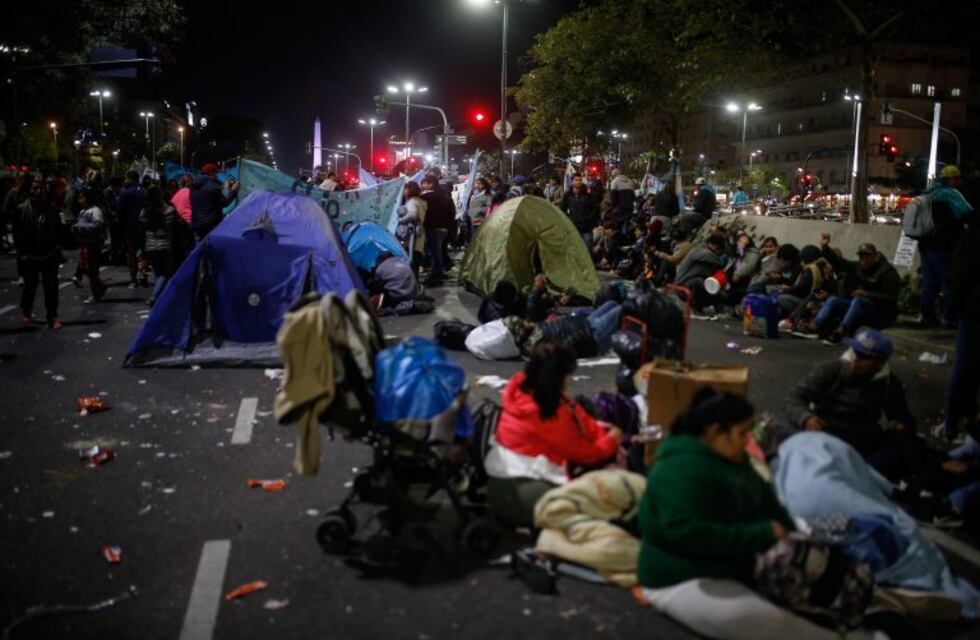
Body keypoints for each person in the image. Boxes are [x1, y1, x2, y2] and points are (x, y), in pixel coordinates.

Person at [636, 390, 837, 640]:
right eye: (742, 433)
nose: (747, 441)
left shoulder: (732, 459)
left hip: (730, 563)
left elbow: (766, 502)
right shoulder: (678, 468)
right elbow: (687, 533)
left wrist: (793, 537)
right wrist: (762, 533)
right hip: (679, 578)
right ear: (714, 432)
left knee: (817, 592)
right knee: (777, 625)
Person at [484, 342, 623, 527]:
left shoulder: (524, 390)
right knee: (595, 503)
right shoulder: (546, 412)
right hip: (522, 493)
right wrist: (611, 439)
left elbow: (577, 415)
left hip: (503, 481)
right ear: (556, 378)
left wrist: (599, 432)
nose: (569, 380)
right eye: (566, 375)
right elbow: (586, 453)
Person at [784, 328, 920, 481]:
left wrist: (900, 425)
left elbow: (902, 416)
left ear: (879, 364)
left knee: (904, 452)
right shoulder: (831, 369)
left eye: (864, 357)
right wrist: (806, 418)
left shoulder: (888, 383)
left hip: (863, 437)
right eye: (855, 352)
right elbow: (794, 399)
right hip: (825, 431)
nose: (855, 359)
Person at [939, 207, 980, 441]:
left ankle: (951, 424)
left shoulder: (972, 235)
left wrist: (950, 311)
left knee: (964, 368)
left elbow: (960, 276)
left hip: (973, 310)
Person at [813, 235, 900, 343]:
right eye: (861, 256)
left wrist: (867, 294)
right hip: (860, 308)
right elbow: (839, 262)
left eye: (867, 256)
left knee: (859, 300)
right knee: (834, 300)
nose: (864, 259)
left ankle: (841, 331)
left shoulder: (887, 272)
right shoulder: (858, 267)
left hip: (880, 312)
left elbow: (891, 298)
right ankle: (815, 326)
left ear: (875, 256)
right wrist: (825, 247)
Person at [918, 165, 973, 328]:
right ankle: (949, 318)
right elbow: (967, 213)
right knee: (950, 282)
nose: (960, 181)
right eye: (957, 178)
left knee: (929, 283)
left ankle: (927, 318)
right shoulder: (950, 193)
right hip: (944, 245)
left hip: (925, 245)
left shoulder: (927, 193)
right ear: (950, 179)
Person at [16, 180, 62, 328]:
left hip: (49, 254)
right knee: (29, 286)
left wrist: (58, 248)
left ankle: (51, 317)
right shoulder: (22, 209)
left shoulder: (51, 209)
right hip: (30, 255)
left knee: (51, 287)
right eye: (35, 188)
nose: (38, 191)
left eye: (41, 189)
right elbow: (18, 235)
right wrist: (21, 254)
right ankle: (26, 311)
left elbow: (58, 230)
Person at [140, 185, 177, 307]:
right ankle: (154, 297)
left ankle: (158, 299)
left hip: (150, 245)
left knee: (157, 273)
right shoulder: (169, 210)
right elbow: (174, 224)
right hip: (165, 244)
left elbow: (143, 225)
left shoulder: (145, 211)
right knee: (165, 273)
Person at [674, 233, 726, 312]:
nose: (717, 251)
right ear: (712, 245)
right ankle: (696, 308)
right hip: (682, 287)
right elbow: (706, 256)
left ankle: (719, 309)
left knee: (720, 294)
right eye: (717, 249)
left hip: (692, 286)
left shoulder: (709, 260)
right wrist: (720, 263)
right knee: (698, 282)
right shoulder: (699, 250)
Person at [72, 187, 107, 303]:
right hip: (83, 243)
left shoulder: (95, 210)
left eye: (82, 197)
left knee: (91, 269)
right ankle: (99, 287)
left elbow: (98, 225)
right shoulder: (83, 211)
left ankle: (95, 293)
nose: (80, 200)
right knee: (84, 267)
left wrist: (81, 227)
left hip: (92, 243)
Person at [420, 175, 455, 286]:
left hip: (433, 227)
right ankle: (438, 273)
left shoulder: (427, 196)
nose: (423, 185)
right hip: (443, 228)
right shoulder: (445, 196)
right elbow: (451, 213)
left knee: (435, 253)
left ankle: (436, 276)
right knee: (438, 252)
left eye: (424, 183)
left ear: (431, 184)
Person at [190, 163, 238, 241]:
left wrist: (227, 187)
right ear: (211, 173)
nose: (217, 175)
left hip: (197, 224)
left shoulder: (194, 186)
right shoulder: (212, 185)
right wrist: (233, 190)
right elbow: (225, 202)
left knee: (201, 246)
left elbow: (209, 198)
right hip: (211, 225)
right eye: (216, 173)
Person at [116, 170, 147, 288]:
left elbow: (120, 211)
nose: (124, 181)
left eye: (126, 178)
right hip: (143, 226)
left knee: (132, 252)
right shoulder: (144, 191)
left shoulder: (125, 193)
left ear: (130, 179)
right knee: (142, 251)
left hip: (130, 227)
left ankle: (134, 278)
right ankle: (143, 274)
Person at [559, 173, 598, 251]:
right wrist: (569, 218)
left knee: (587, 248)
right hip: (573, 226)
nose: (578, 182)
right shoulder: (568, 195)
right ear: (572, 181)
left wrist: (589, 218)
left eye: (580, 180)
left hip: (586, 227)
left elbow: (595, 208)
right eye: (576, 180)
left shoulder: (588, 194)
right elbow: (562, 209)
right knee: (574, 248)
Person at [396, 181, 427, 273]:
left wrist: (399, 220)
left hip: (412, 237)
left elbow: (412, 215)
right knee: (415, 262)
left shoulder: (412, 202)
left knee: (411, 262)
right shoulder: (420, 201)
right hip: (419, 234)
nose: (404, 191)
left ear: (410, 190)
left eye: (405, 189)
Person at [726, 232, 761, 305]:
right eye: (740, 240)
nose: (742, 241)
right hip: (735, 275)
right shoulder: (739, 251)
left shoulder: (754, 252)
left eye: (744, 238)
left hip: (747, 278)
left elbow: (749, 265)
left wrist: (738, 274)